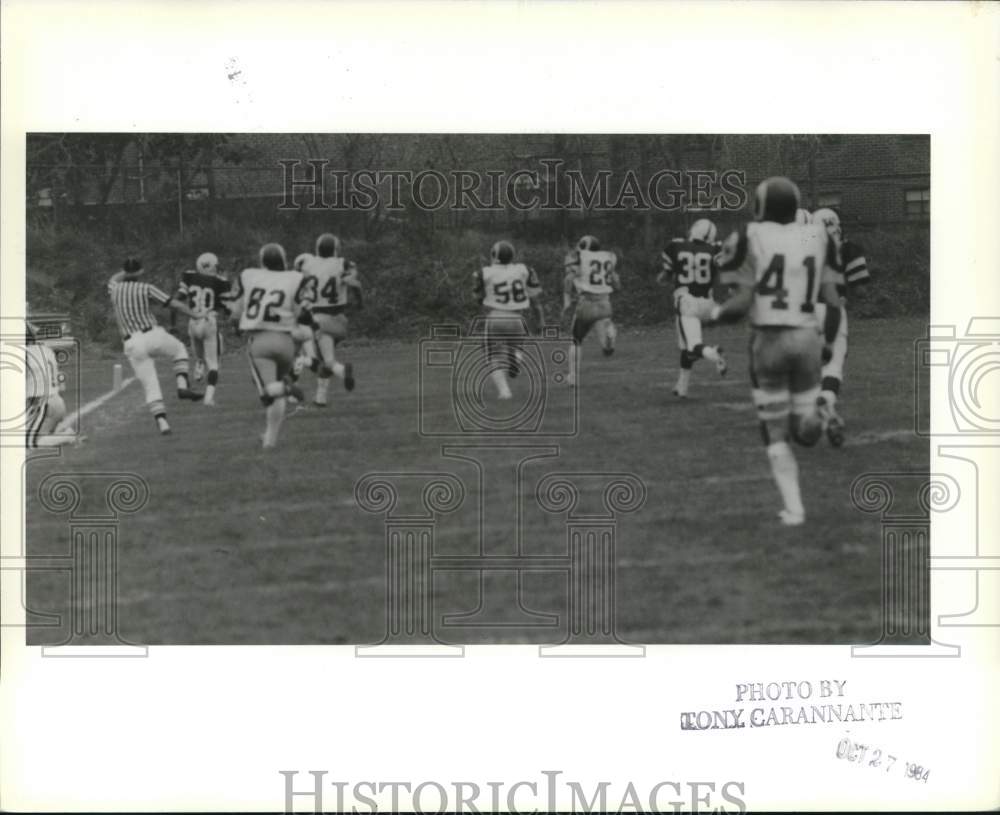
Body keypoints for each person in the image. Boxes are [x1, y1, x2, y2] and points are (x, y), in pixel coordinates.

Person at [712, 177, 842, 526]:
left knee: (775, 432)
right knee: (806, 432)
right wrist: (828, 342)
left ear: (761, 206)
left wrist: (712, 316)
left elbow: (740, 303)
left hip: (768, 340)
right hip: (807, 338)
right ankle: (820, 411)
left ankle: (795, 510)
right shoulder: (816, 236)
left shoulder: (749, 236)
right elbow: (833, 304)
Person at [227, 243, 317, 448]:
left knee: (269, 392)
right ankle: (270, 439)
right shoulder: (295, 278)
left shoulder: (249, 276)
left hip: (260, 341)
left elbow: (235, 311)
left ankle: (284, 386)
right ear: (284, 260)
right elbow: (305, 313)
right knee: (276, 393)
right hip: (287, 342)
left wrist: (236, 325)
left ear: (262, 262)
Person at [107, 256, 204, 435]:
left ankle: (162, 423)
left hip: (131, 342)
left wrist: (127, 271)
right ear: (140, 272)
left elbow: (113, 279)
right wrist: (195, 315)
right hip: (151, 333)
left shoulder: (114, 288)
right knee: (180, 350)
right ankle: (182, 386)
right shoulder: (146, 288)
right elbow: (173, 303)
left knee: (150, 385)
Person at [810, 207, 871, 446]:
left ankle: (817, 407)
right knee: (833, 365)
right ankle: (826, 399)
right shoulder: (848, 247)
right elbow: (861, 288)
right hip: (833, 308)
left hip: (804, 311)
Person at [658, 218, 728, 397]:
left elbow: (666, 274)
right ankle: (682, 387)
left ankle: (713, 354)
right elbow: (726, 268)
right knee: (686, 348)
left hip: (687, 303)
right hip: (708, 304)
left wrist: (663, 277)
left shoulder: (676, 245)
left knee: (693, 345)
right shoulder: (715, 249)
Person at [474, 240, 544, 399]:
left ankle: (504, 391)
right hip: (517, 318)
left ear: (494, 255)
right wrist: (540, 320)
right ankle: (516, 358)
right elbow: (536, 301)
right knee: (516, 347)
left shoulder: (485, 272)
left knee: (493, 357)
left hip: (496, 317)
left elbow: (477, 297)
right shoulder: (524, 270)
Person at [299, 234, 360, 405]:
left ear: (318, 248)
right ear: (335, 249)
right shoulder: (342, 263)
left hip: (320, 319)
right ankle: (320, 398)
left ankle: (342, 371)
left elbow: (299, 284)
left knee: (324, 361)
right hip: (340, 319)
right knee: (326, 360)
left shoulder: (309, 264)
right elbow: (353, 277)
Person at [174, 252, 232, 406]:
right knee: (213, 364)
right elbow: (227, 308)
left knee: (200, 356)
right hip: (209, 321)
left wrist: (173, 308)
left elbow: (179, 296)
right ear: (212, 265)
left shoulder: (189, 276)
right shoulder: (220, 282)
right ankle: (208, 398)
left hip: (193, 321)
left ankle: (199, 363)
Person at [561, 235, 620, 386]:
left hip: (586, 302)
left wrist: (567, 300)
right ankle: (610, 337)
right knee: (605, 339)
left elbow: (568, 280)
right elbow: (616, 282)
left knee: (576, 340)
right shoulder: (609, 257)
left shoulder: (580, 257)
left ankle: (573, 377)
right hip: (605, 302)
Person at [24, 321, 76, 448]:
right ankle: (61, 430)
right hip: (56, 401)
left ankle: (67, 437)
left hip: (42, 404)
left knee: (30, 442)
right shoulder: (46, 350)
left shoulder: (25, 353)